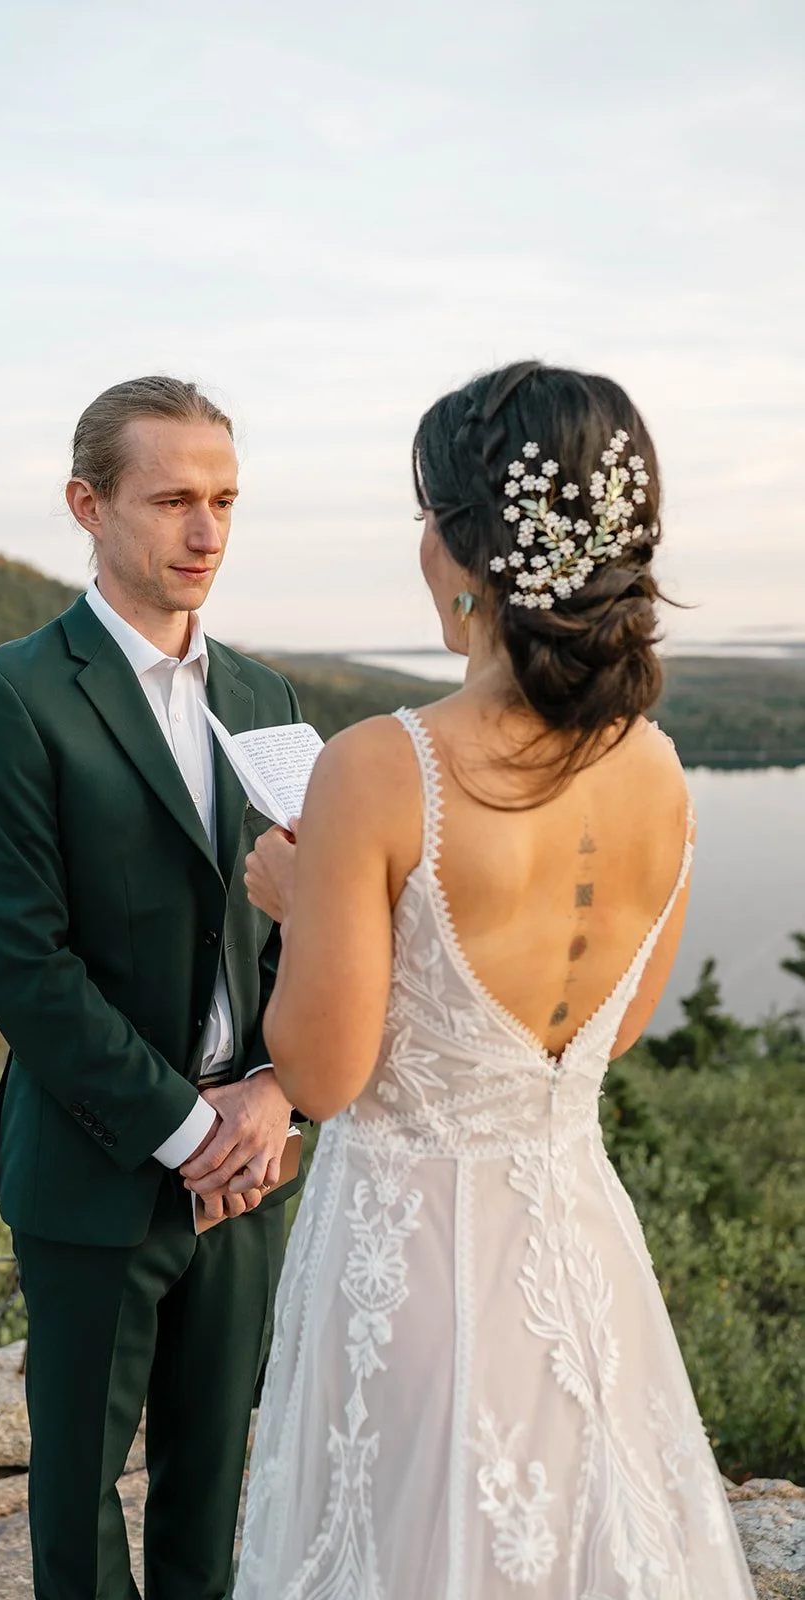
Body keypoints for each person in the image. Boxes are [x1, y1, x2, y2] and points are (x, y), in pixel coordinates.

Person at [235, 362, 756, 1598]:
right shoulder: (662, 770)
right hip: (580, 1254)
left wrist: (297, 898)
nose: (418, 542)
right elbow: (615, 1028)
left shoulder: (378, 765)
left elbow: (320, 1071)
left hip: (407, 1268)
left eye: (426, 513)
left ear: (469, 547)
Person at [0, 375, 305, 1600]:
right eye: (171, 502)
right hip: (96, 1167)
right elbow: (19, 962)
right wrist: (188, 1127)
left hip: (247, 1168)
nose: (205, 534)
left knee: (214, 1487)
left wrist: (271, 1096)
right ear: (87, 505)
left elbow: (301, 928)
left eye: (223, 502)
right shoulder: (8, 697)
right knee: (79, 1496)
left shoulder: (264, 698)